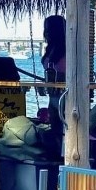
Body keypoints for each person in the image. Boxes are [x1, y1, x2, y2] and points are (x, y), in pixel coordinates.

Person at [40, 14, 67, 152]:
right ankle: (56, 161)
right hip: (53, 97)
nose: (46, 32)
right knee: (56, 131)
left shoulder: (69, 49)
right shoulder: (51, 49)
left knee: (66, 133)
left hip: (66, 97)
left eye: (48, 29)